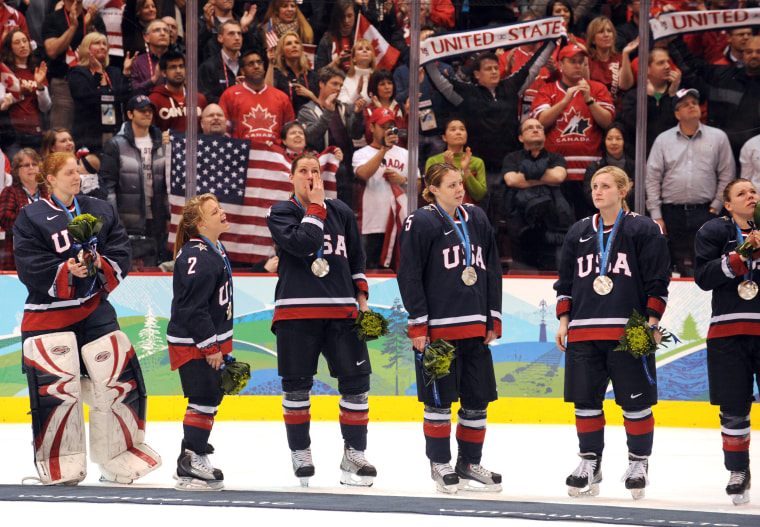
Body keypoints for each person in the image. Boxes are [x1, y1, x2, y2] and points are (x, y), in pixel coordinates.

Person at [14, 151, 161, 485]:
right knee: (58, 390)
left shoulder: (100, 209)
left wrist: (96, 266)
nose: (76, 176)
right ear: (50, 179)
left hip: (94, 308)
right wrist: (66, 270)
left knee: (119, 380)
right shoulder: (31, 216)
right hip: (49, 316)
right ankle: (61, 459)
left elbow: (121, 250)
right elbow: (28, 264)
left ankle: (120, 454)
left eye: (77, 171)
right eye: (68, 172)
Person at [554, 165, 670, 500]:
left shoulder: (643, 229)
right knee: (585, 401)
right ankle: (590, 461)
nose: (598, 192)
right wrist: (564, 321)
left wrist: (650, 323)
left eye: (605, 186)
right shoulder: (578, 232)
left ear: (623, 190)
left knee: (636, 403)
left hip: (629, 331)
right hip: (584, 330)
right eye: (594, 186)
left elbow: (657, 281)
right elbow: (565, 283)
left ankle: (638, 462)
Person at [265, 153, 376, 487]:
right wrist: (316, 206)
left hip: (342, 310)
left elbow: (356, 255)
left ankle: (354, 455)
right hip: (296, 311)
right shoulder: (280, 212)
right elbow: (303, 243)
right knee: (297, 386)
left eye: (315, 170)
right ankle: (301, 452)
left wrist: (362, 298)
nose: (311, 176)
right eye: (303, 171)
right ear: (292, 177)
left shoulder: (341, 211)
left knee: (357, 386)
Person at [397, 162, 503, 494]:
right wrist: (418, 324)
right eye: (452, 184)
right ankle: (439, 462)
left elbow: (493, 268)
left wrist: (493, 317)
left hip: (475, 327)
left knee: (477, 400)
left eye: (461, 183)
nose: (460, 189)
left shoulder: (477, 217)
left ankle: (469, 463)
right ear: (433, 190)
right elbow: (409, 274)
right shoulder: (420, 221)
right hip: (438, 331)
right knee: (439, 402)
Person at [694, 178, 760, 506]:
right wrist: (742, 254)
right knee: (734, 409)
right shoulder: (713, 232)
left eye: (754, 191)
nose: (751, 196)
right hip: (727, 333)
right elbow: (703, 278)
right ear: (728, 205)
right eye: (742, 193)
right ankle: (738, 471)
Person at [167, 193, 232, 491]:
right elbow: (192, 307)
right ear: (200, 224)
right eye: (215, 211)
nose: (222, 213)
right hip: (194, 342)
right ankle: (190, 462)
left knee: (209, 397)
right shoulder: (197, 254)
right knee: (203, 398)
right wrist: (210, 346)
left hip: (204, 341)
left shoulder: (213, 248)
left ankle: (193, 455)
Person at [646, 88, 735, 278]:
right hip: (671, 212)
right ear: (677, 113)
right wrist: (656, 215)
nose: (692, 106)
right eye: (685, 104)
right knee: (674, 265)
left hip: (705, 211)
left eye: (694, 102)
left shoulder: (718, 137)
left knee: (705, 262)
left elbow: (727, 174)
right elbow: (652, 178)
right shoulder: (663, 140)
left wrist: (715, 207)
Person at [532, 43, 615, 220]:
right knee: (560, 223)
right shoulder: (548, 89)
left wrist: (589, 100)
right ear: (561, 65)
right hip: (557, 171)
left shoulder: (597, 89)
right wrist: (564, 101)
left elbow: (607, 122)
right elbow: (540, 122)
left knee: (591, 223)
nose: (578, 66)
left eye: (581, 62)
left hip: (590, 171)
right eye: (572, 62)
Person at [100, 94, 170, 267]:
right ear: (130, 114)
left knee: (154, 265)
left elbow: (168, 183)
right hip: (127, 217)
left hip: (157, 217)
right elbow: (108, 186)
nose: (147, 114)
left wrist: (169, 215)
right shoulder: (116, 144)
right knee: (127, 266)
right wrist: (114, 217)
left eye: (149, 111)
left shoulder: (162, 143)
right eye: (142, 111)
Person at [500, 118, 571, 271]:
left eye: (539, 127)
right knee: (523, 274)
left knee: (552, 271)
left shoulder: (556, 157)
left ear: (545, 136)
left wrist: (525, 177)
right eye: (530, 128)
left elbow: (558, 177)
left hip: (552, 223)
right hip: (520, 223)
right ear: (521, 137)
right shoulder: (512, 158)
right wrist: (545, 179)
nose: (535, 129)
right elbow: (511, 180)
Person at [353, 106, 415, 270]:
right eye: (383, 127)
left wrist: (403, 180)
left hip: (400, 223)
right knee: (370, 272)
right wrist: (383, 151)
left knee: (400, 271)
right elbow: (363, 174)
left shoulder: (405, 153)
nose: (388, 131)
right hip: (372, 225)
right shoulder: (361, 153)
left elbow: (420, 184)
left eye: (391, 127)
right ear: (371, 127)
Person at [42, 0, 106, 130]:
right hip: (63, 83)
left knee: (92, 129)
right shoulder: (52, 18)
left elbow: (103, 52)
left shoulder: (94, 18)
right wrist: (73, 27)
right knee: (61, 130)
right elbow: (52, 51)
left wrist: (89, 27)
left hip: (91, 81)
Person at [68, 32, 135, 155]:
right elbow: (86, 97)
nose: (103, 47)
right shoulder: (77, 72)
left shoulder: (114, 71)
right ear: (86, 48)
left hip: (114, 131)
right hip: (89, 135)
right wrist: (98, 74)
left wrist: (126, 74)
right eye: (97, 43)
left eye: (105, 44)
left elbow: (125, 98)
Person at [218, 48, 295, 145]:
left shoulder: (282, 97)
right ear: (242, 71)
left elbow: (290, 132)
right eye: (251, 64)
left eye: (259, 63)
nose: (256, 66)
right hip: (242, 155)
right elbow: (224, 132)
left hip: (274, 154)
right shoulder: (230, 95)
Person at [618, 47, 680, 158]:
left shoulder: (677, 94)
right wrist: (648, 99)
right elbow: (631, 126)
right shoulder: (633, 96)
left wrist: (672, 97)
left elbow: (675, 125)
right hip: (642, 157)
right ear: (647, 69)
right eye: (660, 63)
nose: (667, 66)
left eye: (668, 62)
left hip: (671, 155)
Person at [0, 148, 46, 270]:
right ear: (17, 171)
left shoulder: (47, 191)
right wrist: (36, 222)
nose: (31, 168)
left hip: (46, 256)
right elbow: (5, 219)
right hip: (18, 258)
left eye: (34, 164)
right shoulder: (10, 192)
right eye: (26, 165)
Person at [425, 118, 486, 205]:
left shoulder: (476, 162)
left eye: (462, 129)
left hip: (468, 213)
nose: (458, 132)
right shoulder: (433, 161)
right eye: (453, 129)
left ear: (466, 135)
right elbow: (431, 193)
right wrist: (449, 169)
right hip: (441, 212)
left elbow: (479, 195)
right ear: (444, 137)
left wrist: (466, 170)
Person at [585, 16, 635, 114]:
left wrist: (625, 54)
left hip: (618, 112)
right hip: (595, 111)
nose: (606, 35)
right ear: (593, 40)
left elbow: (625, 86)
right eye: (601, 32)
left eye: (609, 31)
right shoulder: (587, 60)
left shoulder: (620, 58)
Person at [148, 50, 208, 132]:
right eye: (173, 67)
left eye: (181, 66)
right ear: (164, 73)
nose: (178, 71)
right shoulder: (154, 100)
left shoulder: (199, 99)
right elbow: (150, 133)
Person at [265, 30, 319, 115]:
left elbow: (323, 106)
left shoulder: (312, 75)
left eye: (297, 43)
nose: (294, 45)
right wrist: (271, 64)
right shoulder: (277, 74)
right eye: (289, 44)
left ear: (301, 49)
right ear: (282, 52)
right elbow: (267, 94)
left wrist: (310, 95)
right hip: (286, 122)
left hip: (310, 121)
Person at [583, 123, 635, 210]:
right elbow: (590, 196)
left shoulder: (635, 167)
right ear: (604, 141)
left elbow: (640, 195)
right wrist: (622, 189)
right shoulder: (595, 167)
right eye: (609, 139)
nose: (614, 143)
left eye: (618, 139)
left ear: (624, 141)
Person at [40, 127, 104, 198]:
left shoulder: (82, 163)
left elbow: (102, 190)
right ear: (52, 147)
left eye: (70, 140)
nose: (69, 143)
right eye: (63, 141)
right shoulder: (45, 169)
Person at [198, 20, 244, 105]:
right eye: (231, 33)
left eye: (239, 33)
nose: (237, 37)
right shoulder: (208, 67)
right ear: (220, 38)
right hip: (219, 114)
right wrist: (230, 103)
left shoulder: (248, 64)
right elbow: (205, 97)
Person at [130, 18, 170, 96]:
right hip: (148, 105)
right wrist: (154, 79)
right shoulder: (137, 62)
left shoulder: (181, 59)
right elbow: (133, 91)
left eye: (166, 31)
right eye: (157, 30)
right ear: (146, 38)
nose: (162, 33)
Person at [338, 38, 375, 109]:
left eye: (368, 49)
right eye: (360, 49)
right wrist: (357, 92)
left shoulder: (378, 77)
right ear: (354, 58)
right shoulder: (344, 78)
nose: (365, 50)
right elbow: (340, 104)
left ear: (372, 56)